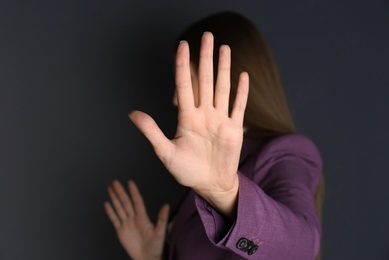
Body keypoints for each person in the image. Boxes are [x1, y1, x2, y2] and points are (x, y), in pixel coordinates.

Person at [104, 11, 324, 260]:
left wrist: (223, 191)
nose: (175, 99)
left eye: (183, 81)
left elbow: (302, 247)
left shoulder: (284, 152)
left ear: (223, 78)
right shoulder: (206, 164)